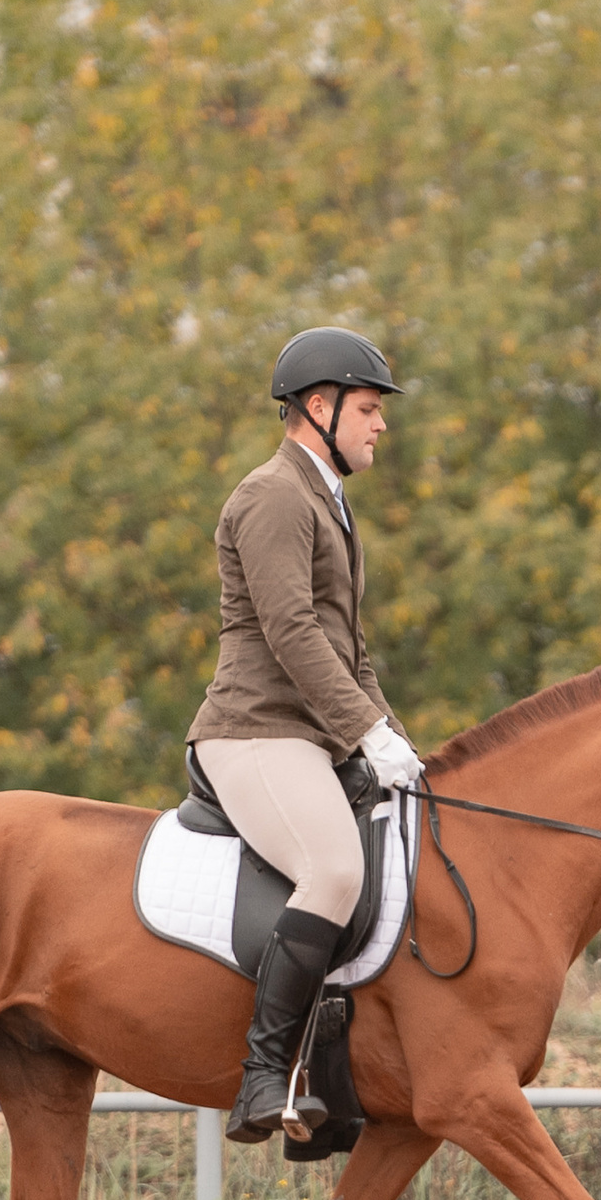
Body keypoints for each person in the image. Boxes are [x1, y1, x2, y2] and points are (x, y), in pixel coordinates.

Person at [187, 328, 424, 1144]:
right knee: (332, 869)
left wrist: (396, 739)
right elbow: (291, 631)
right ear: (317, 409)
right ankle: (261, 1076)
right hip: (255, 730)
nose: (379, 425)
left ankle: (336, 1075)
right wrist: (365, 730)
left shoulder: (327, 496)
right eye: (367, 409)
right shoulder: (274, 495)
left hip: (311, 735)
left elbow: (348, 648)